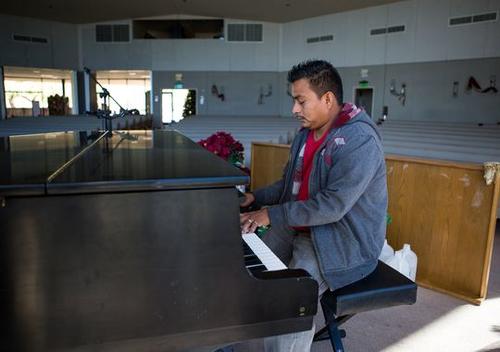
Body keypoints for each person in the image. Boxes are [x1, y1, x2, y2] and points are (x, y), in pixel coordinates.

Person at [240, 59, 388, 351]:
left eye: (300, 100)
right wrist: (255, 198)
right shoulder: (305, 135)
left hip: (340, 239)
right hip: (301, 225)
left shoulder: (360, 140)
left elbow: (333, 206)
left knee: (292, 299)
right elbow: (287, 187)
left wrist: (272, 214)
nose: (295, 109)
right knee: (246, 257)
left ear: (328, 99)